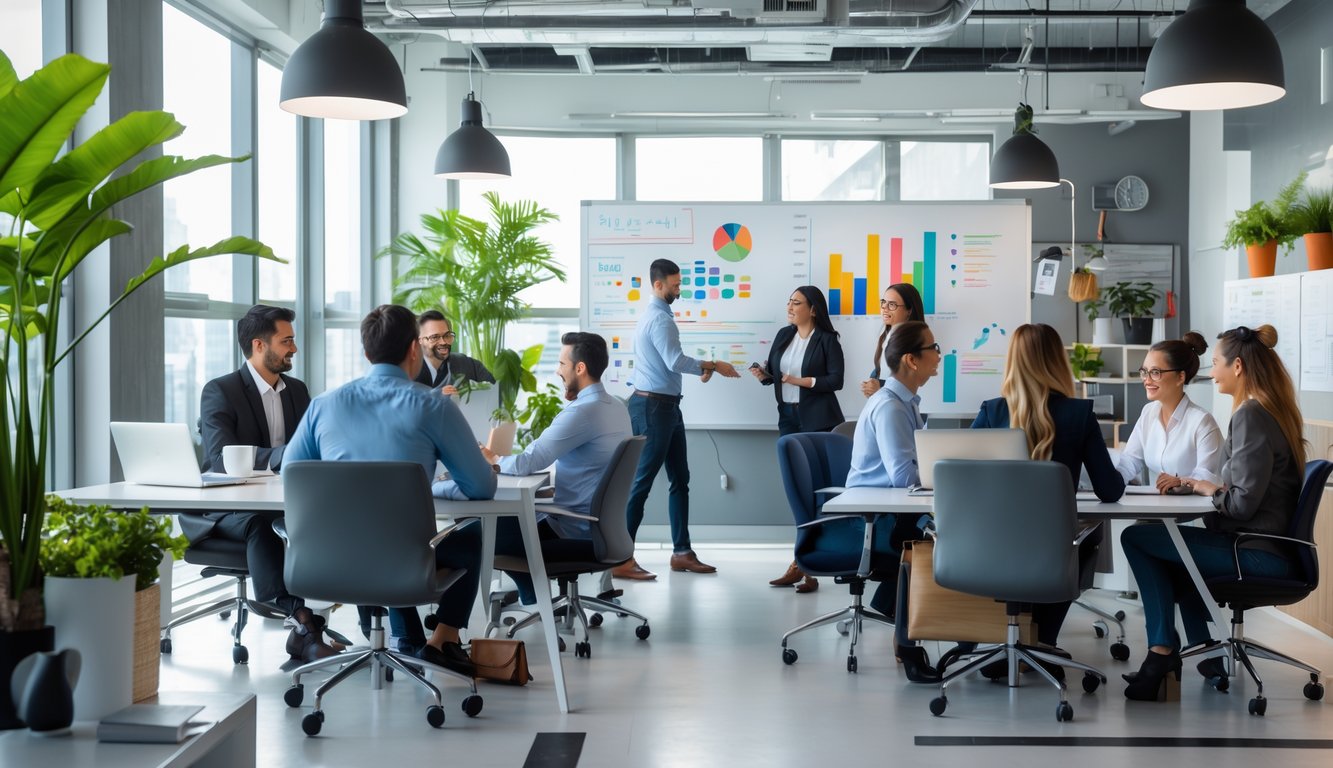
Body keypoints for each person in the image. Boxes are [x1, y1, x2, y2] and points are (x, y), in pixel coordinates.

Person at [283, 304, 498, 677]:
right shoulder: (433, 406)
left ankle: (403, 635)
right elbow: (481, 486)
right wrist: (436, 488)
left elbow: (292, 476)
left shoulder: (323, 405)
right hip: (405, 564)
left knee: (374, 534)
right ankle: (443, 638)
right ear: (415, 349)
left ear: (367, 354)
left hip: (327, 562)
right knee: (470, 534)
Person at [1120, 324, 1304, 701]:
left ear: (1237, 366)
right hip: (1263, 546)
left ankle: (1162, 653)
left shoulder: (1251, 415)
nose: (1212, 372)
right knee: (1165, 548)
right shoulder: (1268, 410)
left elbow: (1239, 503)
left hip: (1256, 553)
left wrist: (1206, 486)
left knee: (1136, 537)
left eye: (1217, 363)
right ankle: (1192, 649)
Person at [971, 323, 1124, 672]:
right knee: (1088, 534)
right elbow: (1109, 490)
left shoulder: (992, 412)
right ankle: (1042, 641)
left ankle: (1011, 640)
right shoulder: (1079, 414)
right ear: (1057, 362)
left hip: (989, 546)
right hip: (1054, 550)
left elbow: (966, 478)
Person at [196, 305, 333, 663]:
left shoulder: (298, 391)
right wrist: (281, 455)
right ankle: (302, 620)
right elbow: (220, 457)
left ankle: (374, 625)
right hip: (229, 508)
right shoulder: (221, 391)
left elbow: (312, 449)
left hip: (288, 500)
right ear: (259, 345)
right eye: (286, 341)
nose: (295, 349)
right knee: (263, 524)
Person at [480, 332, 632, 605]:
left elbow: (529, 461)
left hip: (575, 531)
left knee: (479, 532)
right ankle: (535, 598)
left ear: (580, 368)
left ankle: (535, 601)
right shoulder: (617, 407)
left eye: (562, 364)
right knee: (509, 522)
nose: (557, 370)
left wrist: (492, 459)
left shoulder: (582, 412)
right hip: (602, 528)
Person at [618, 258, 741, 580]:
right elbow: (674, 361)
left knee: (680, 480)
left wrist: (702, 368)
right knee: (641, 484)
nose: (678, 289)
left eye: (678, 283)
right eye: (674, 284)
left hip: (666, 407)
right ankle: (620, 557)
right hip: (654, 409)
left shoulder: (658, 316)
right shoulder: (659, 320)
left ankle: (682, 552)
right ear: (657, 285)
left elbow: (668, 363)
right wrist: (712, 364)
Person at [844, 320, 941, 682]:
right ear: (912, 360)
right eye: (933, 349)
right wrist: (944, 472)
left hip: (890, 509)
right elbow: (903, 476)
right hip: (876, 517)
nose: (938, 356)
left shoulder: (905, 402)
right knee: (932, 543)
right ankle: (908, 643)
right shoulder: (890, 406)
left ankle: (894, 609)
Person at [750, 286, 845, 593]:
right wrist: (764, 376)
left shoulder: (828, 340)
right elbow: (775, 375)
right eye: (788, 301)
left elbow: (836, 380)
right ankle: (803, 565)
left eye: (796, 303)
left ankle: (807, 562)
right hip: (788, 418)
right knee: (796, 490)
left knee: (816, 492)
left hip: (819, 419)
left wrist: (800, 381)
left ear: (813, 309)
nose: (790, 307)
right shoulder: (783, 335)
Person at [1116, 333, 1224, 492]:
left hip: (1197, 513)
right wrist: (1110, 481)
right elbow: (1130, 461)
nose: (1147, 380)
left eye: (1155, 372)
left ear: (1180, 377)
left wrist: (1181, 481)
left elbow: (1206, 476)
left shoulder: (1202, 422)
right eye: (1144, 372)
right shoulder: (1148, 413)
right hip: (1161, 509)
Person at [860, 283, 925, 398]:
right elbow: (883, 371)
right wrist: (872, 382)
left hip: (905, 410)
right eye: (883, 302)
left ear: (909, 311)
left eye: (892, 305)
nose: (884, 308)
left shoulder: (916, 343)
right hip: (888, 404)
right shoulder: (886, 336)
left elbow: (913, 385)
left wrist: (880, 386)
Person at [414, 309, 495, 395]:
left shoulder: (465, 363)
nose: (443, 342)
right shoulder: (409, 369)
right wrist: (435, 395)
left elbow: (494, 389)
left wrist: (471, 390)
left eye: (447, 336)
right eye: (434, 337)